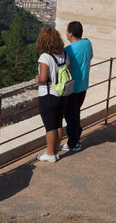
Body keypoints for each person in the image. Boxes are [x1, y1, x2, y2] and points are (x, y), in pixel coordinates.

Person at [35, 27, 70, 162]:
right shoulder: (64, 54)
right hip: (62, 94)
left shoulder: (45, 57)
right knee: (58, 124)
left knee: (50, 126)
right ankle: (55, 151)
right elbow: (68, 72)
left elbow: (43, 78)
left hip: (48, 95)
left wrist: (37, 79)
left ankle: (50, 155)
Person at [61, 21, 93, 152]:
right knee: (75, 114)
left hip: (72, 88)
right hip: (83, 85)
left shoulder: (68, 50)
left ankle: (73, 143)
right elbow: (90, 57)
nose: (66, 33)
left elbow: (64, 68)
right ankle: (76, 138)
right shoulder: (87, 43)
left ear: (71, 34)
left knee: (70, 116)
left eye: (67, 31)